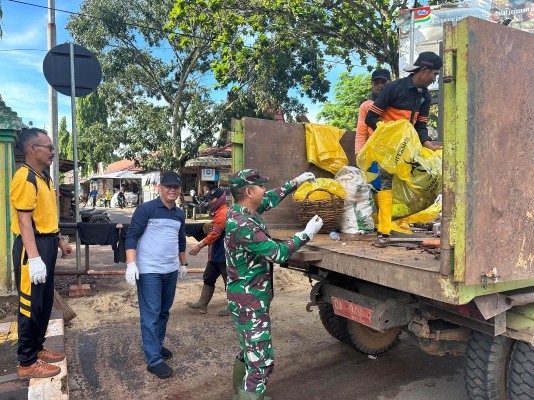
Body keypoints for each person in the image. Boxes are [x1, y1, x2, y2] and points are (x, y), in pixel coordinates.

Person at [225, 169, 323, 400]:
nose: (265, 190)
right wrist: (306, 234)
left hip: (246, 298)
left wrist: (296, 182)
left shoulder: (241, 211)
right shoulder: (243, 225)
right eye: (261, 186)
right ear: (249, 192)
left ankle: (240, 394)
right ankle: (248, 396)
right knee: (261, 363)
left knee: (250, 352)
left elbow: (270, 199)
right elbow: (277, 253)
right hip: (249, 302)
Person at [10, 128, 73, 379]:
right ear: (31, 149)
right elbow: (25, 223)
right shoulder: (25, 178)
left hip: (46, 243)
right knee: (30, 305)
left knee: (44, 302)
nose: (53, 152)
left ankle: (37, 349)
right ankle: (26, 361)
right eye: (48, 147)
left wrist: (59, 241)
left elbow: (45, 217)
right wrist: (34, 258)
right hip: (31, 248)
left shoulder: (44, 177)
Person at [365, 51, 442, 240]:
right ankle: (384, 229)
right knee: (386, 183)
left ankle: (400, 224)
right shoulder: (393, 88)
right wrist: (388, 133)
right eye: (434, 74)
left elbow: (420, 126)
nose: (434, 79)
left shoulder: (425, 97)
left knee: (411, 183)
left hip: (408, 149)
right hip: (387, 148)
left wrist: (428, 145)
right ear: (424, 70)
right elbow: (371, 117)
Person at [124, 171, 188, 379]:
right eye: (168, 186)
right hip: (149, 270)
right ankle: (153, 360)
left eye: (176, 187)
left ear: (179, 190)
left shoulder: (179, 214)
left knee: (164, 311)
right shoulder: (146, 209)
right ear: (159, 187)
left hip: (170, 270)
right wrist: (131, 264)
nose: (172, 190)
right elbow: (132, 235)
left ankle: (156, 346)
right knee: (151, 314)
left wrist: (183, 263)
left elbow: (180, 240)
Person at [187, 188, 230, 316]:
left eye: (212, 199)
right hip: (216, 253)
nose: (210, 201)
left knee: (229, 281)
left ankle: (233, 307)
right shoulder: (218, 212)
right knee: (208, 277)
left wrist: (199, 245)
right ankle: (202, 303)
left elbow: (215, 234)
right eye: (209, 199)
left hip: (224, 254)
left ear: (220, 199)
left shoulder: (223, 213)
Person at [355, 68, 391, 191]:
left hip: (395, 151)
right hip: (374, 153)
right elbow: (361, 131)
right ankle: (379, 209)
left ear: (390, 82)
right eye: (377, 82)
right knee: (375, 186)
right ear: (372, 84)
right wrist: (359, 153)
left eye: (383, 82)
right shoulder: (366, 106)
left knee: (392, 187)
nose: (380, 85)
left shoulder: (395, 103)